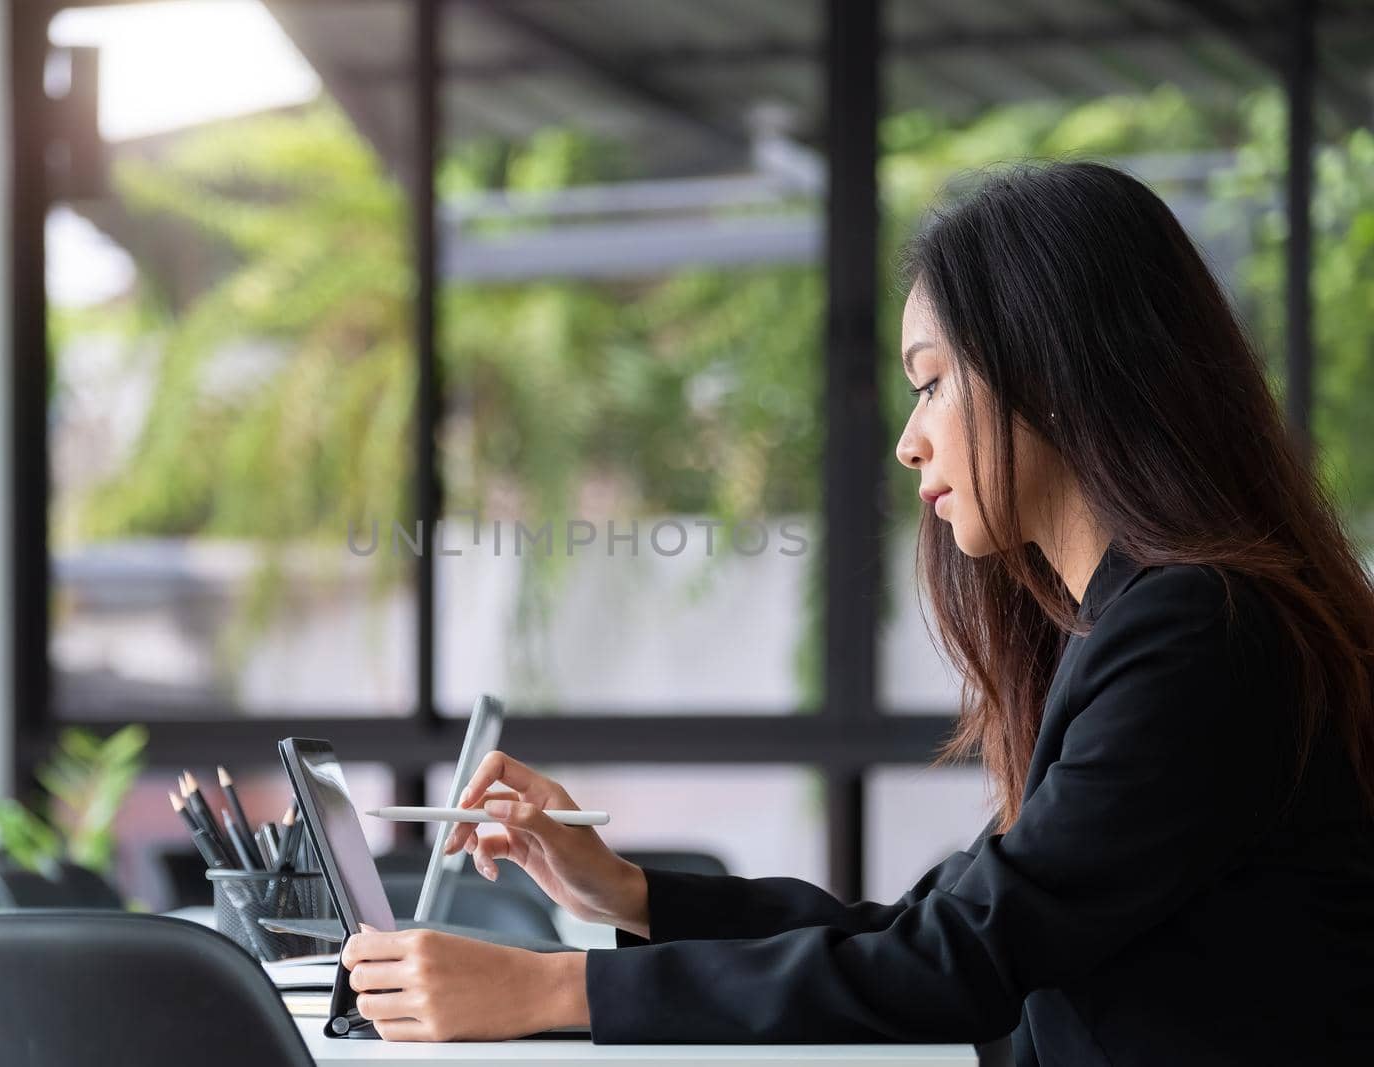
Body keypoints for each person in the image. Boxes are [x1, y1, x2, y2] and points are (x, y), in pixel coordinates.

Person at [338, 161, 1374, 1064]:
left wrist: (550, 991)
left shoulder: (1198, 635)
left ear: (1050, 373)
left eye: (931, 383)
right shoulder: (1155, 623)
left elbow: (959, 961)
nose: (908, 441)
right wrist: (626, 892)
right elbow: (937, 924)